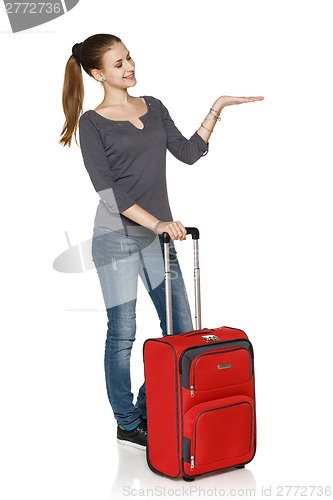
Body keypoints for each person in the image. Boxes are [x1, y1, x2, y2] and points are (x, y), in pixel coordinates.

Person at [60, 33, 263, 450]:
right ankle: (127, 422)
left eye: (129, 57)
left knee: (181, 329)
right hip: (116, 239)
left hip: (158, 237)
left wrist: (217, 108)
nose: (129, 66)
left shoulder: (154, 107)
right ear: (98, 73)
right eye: (118, 64)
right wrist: (158, 224)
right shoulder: (93, 123)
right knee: (123, 333)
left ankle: (149, 409)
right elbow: (109, 193)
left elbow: (188, 152)